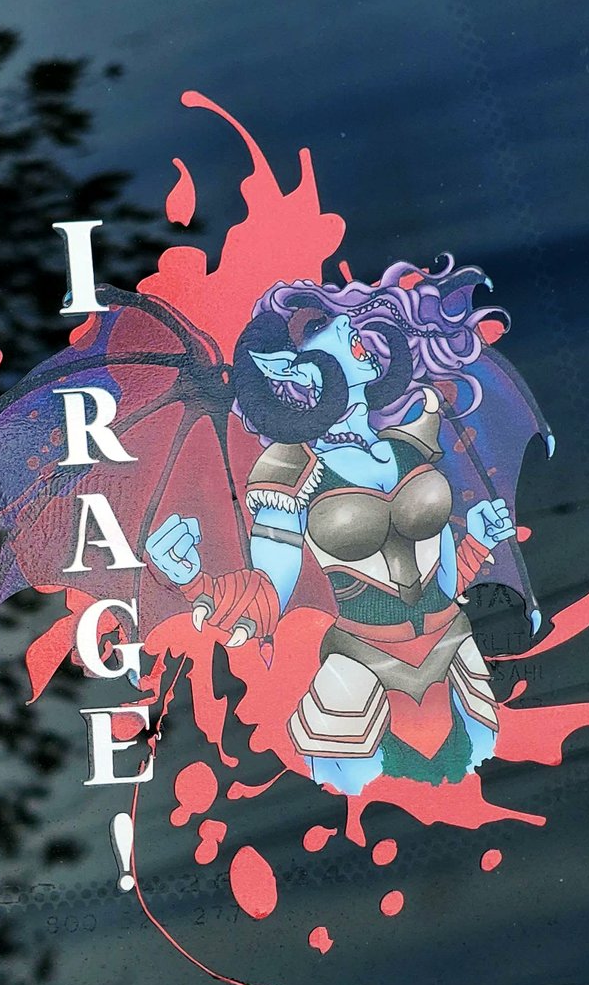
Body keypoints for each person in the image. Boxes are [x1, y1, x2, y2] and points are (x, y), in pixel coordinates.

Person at [143, 263, 519, 795]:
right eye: (321, 327)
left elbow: (441, 581)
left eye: (340, 318)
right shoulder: (289, 473)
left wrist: (477, 540)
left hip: (457, 656)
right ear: (289, 370)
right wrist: (193, 581)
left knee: (486, 780)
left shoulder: (409, 445)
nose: (347, 325)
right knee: (361, 802)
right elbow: (268, 594)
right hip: (359, 680)